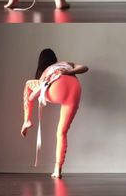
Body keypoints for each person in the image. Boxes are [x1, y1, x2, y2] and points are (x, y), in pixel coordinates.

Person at [21, 48, 87, 178]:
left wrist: (31, 98)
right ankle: (57, 169)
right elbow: (85, 67)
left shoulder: (48, 70)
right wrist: (70, 71)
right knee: (61, 133)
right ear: (55, 58)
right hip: (75, 88)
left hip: (58, 87)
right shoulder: (66, 63)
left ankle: (27, 120)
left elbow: (36, 91)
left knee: (28, 84)